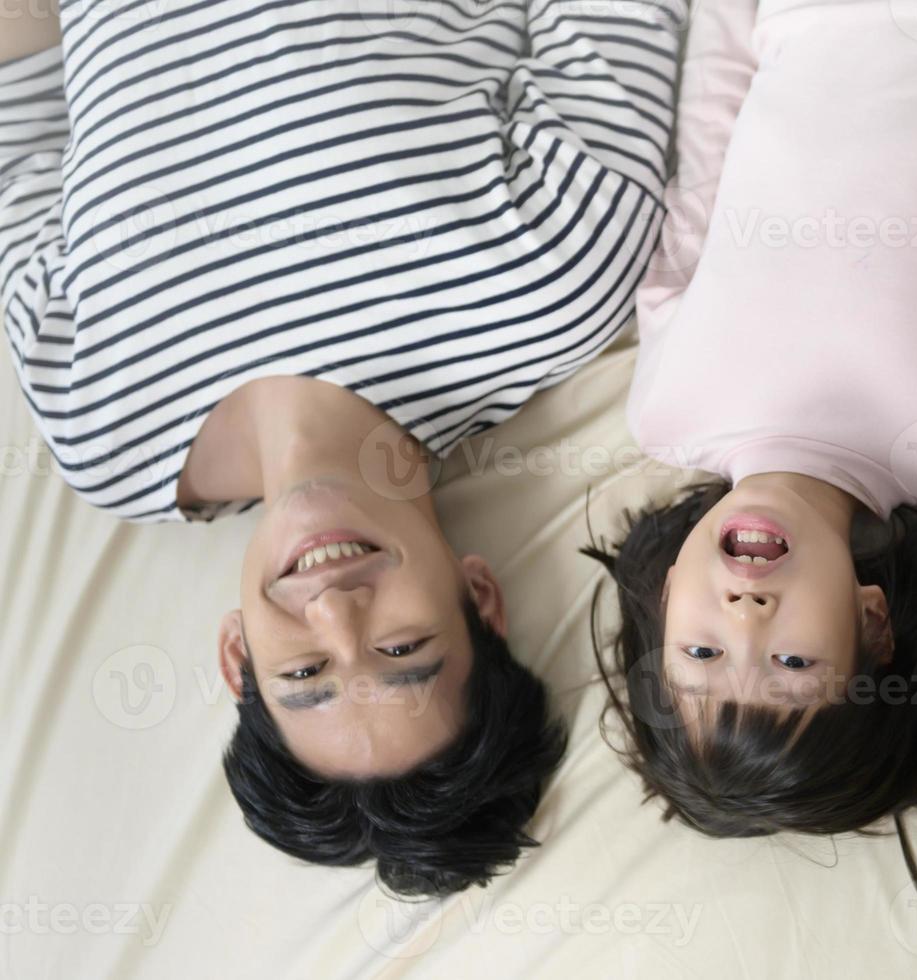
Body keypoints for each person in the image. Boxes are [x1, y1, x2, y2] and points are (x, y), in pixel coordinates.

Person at [1, 0, 684, 895]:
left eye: (305, 672)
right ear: (478, 595)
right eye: (402, 651)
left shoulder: (100, 427)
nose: (334, 608)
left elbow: (18, 119)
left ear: (238, 658)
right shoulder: (547, 286)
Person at [583, 0, 917, 838]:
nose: (743, 615)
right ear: (871, 624)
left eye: (701, 655)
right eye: (792, 663)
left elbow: (704, 155)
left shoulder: (668, 407)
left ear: (661, 605)